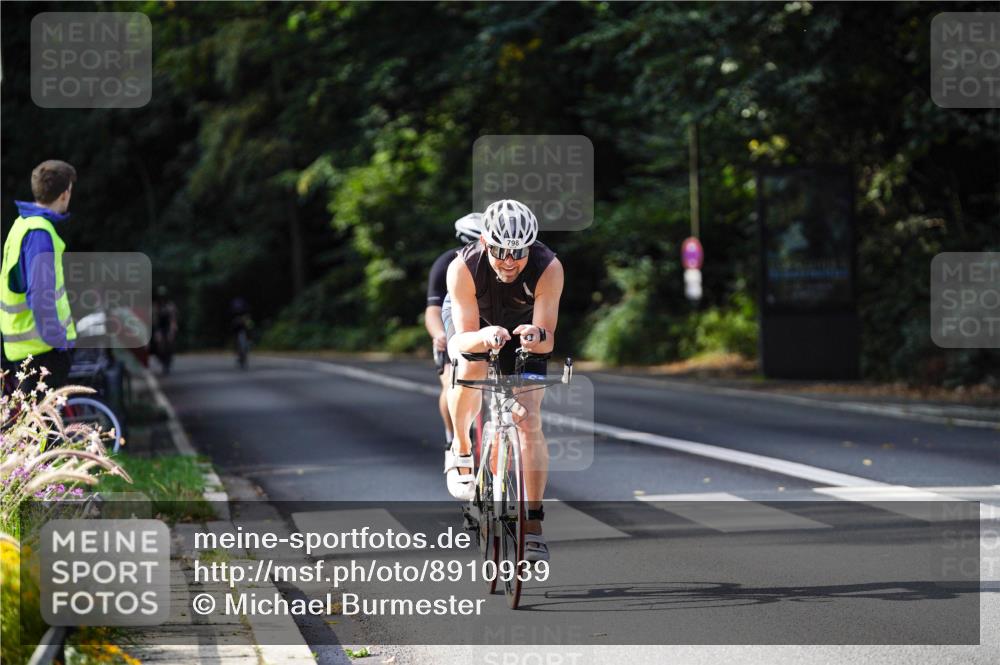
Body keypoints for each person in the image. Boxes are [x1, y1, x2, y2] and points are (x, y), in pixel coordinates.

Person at [442, 199, 564, 563]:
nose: (509, 261)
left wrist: (535, 335)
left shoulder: (549, 267)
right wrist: (484, 336)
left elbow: (549, 336)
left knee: (528, 418)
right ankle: (461, 449)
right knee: (473, 367)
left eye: (518, 252)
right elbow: (462, 338)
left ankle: (533, 522)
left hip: (521, 325)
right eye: (499, 251)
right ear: (484, 242)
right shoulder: (462, 266)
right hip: (474, 324)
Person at [1, 160, 78, 393]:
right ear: (65, 194)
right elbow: (40, 295)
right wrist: (59, 342)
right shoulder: (40, 233)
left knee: (36, 425)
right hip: (41, 349)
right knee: (45, 426)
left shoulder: (22, 224)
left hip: (23, 345)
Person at [425, 213, 484, 450]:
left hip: (484, 327)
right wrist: (438, 334)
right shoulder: (446, 264)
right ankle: (452, 436)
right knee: (451, 381)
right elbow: (433, 310)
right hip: (451, 330)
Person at [150, 285, 178, 375]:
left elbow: (173, 318)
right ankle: (161, 358)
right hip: (159, 328)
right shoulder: (155, 306)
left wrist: (172, 330)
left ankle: (168, 360)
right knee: (158, 344)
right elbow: (154, 321)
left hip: (167, 327)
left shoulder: (170, 305)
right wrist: (157, 332)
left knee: (170, 343)